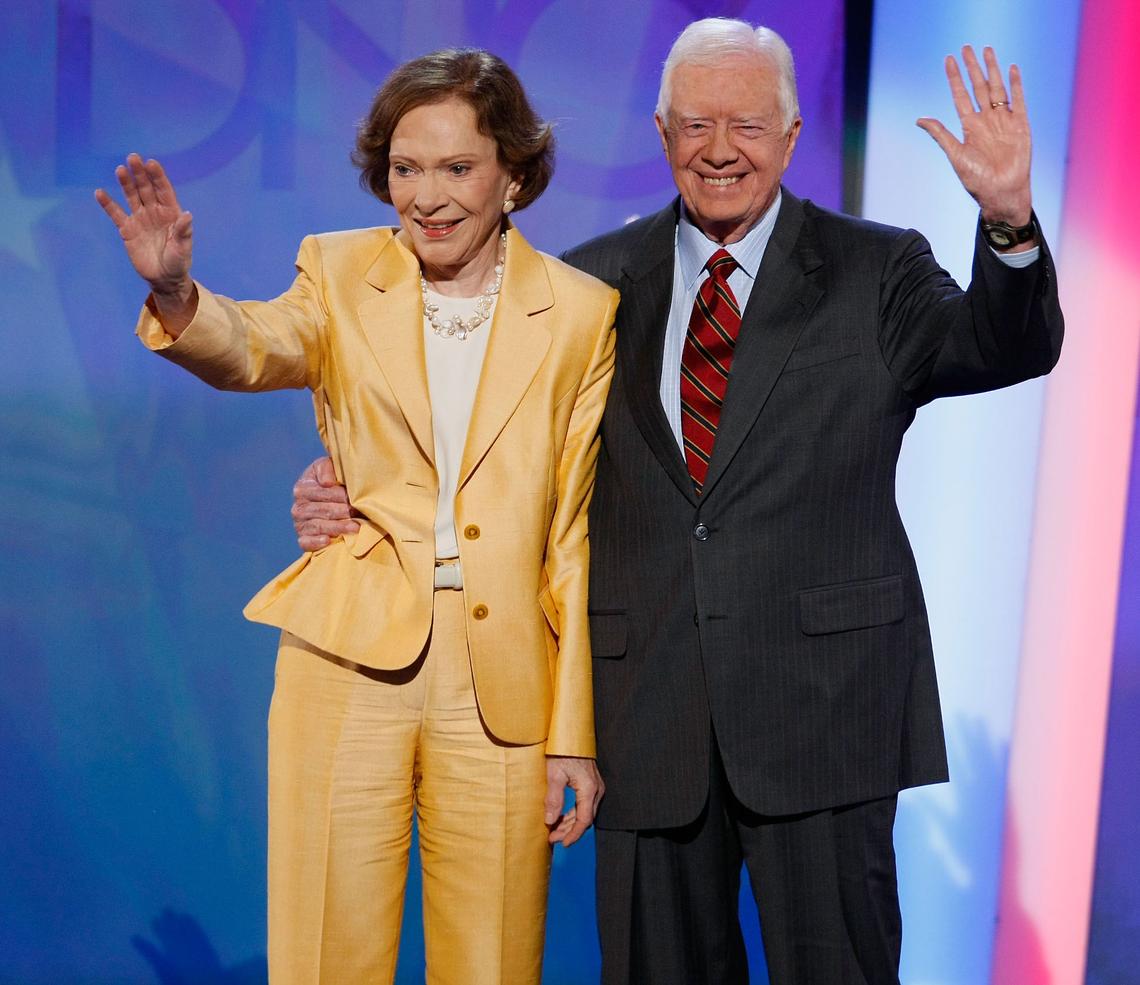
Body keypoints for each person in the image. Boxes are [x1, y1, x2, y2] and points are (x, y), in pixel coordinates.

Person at [292, 19, 1063, 985]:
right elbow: (490, 460)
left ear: (788, 135)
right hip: (648, 719)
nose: (719, 147)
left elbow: (1004, 346)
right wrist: (352, 493)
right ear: (662, 136)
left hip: (824, 714)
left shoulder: (877, 268)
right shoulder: (586, 288)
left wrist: (1008, 222)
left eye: (745, 123)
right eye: (695, 124)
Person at [96, 49, 617, 985]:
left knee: (494, 962)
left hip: (502, 684)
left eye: (457, 168)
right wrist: (178, 293)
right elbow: (253, 345)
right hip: (346, 659)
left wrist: (572, 728)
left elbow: (571, 537)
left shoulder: (581, 313)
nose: (428, 195)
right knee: (325, 954)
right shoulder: (338, 272)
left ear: (514, 174)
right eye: (406, 169)